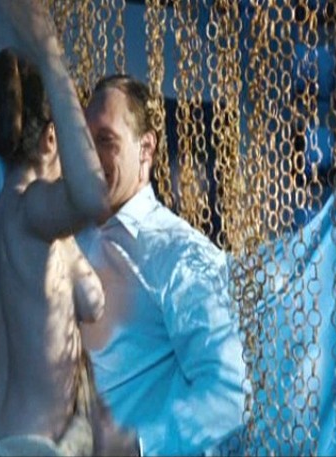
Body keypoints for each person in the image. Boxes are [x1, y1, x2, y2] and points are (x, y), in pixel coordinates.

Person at [0, 1, 134, 455]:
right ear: (53, 138)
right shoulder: (36, 210)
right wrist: (49, 53)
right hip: (34, 445)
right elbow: (92, 198)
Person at [78, 74, 246, 456]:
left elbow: (230, 393)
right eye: (85, 142)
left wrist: (136, 445)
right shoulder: (71, 235)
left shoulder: (181, 255)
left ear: (146, 148)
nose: (91, 157)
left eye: (106, 140)